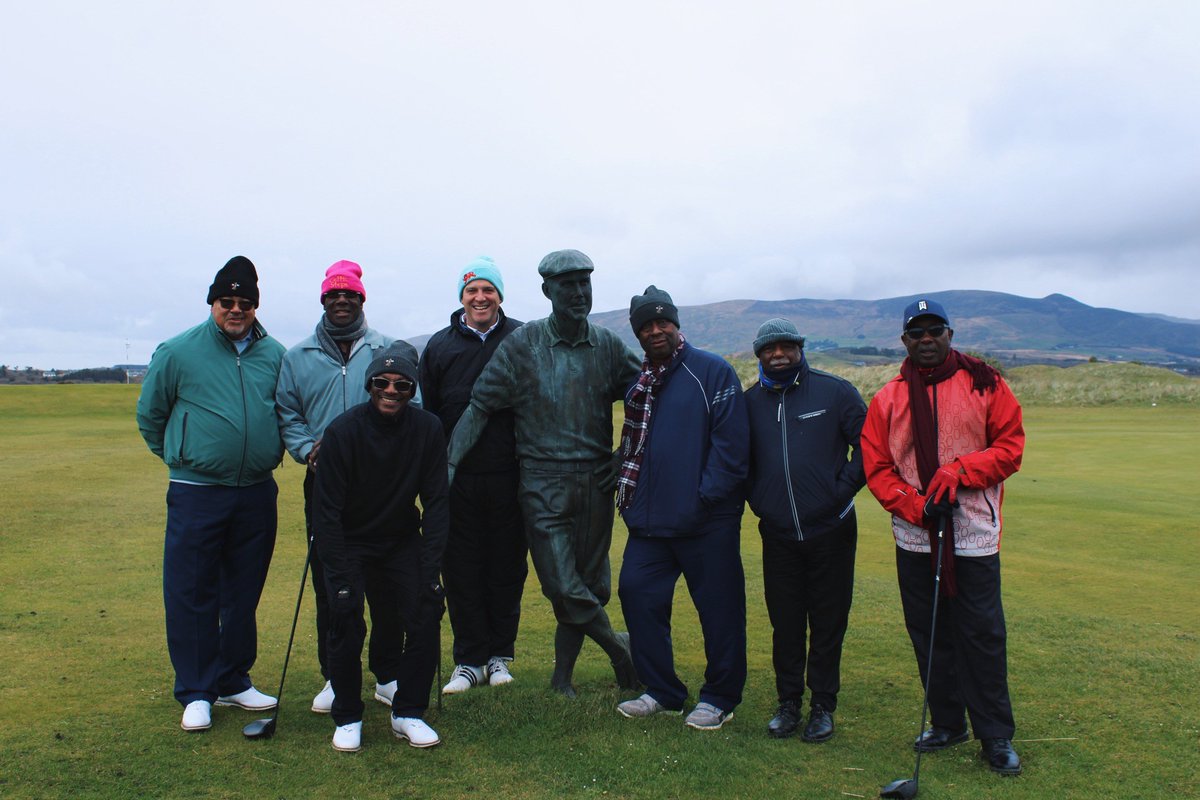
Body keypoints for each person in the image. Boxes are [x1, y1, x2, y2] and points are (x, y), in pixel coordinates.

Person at [446, 249, 640, 698]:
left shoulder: (607, 346)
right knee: (562, 583)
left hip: (595, 482)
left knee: (590, 584)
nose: (577, 293)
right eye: (567, 285)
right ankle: (620, 650)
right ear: (546, 291)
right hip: (541, 482)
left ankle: (561, 680)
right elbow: (479, 408)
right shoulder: (523, 346)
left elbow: (646, 394)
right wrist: (449, 467)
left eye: (583, 283)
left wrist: (624, 453)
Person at [860, 298, 1025, 776]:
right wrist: (917, 505)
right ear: (905, 341)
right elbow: (878, 468)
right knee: (930, 633)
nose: (926, 339)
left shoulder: (985, 382)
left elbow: (1009, 448)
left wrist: (960, 471)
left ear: (950, 334)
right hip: (916, 535)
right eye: (917, 333)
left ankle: (995, 735)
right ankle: (949, 723)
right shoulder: (888, 398)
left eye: (935, 330)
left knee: (982, 634)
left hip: (973, 531)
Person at [136, 256, 285, 733]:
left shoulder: (275, 354)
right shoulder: (179, 351)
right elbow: (151, 416)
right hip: (197, 492)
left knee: (243, 592)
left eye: (245, 303)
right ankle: (197, 690)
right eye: (227, 302)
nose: (236, 310)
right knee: (191, 591)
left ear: (256, 307)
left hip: (256, 491)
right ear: (213, 303)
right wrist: (184, 458)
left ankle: (233, 679)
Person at [614, 286, 750, 731]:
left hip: (706, 521)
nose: (656, 330)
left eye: (662, 322)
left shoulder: (712, 372)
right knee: (637, 594)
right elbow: (632, 447)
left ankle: (720, 697)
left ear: (676, 324)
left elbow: (731, 450)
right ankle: (663, 691)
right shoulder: (640, 381)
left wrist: (704, 500)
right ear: (638, 333)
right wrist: (631, 502)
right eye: (646, 326)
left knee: (719, 610)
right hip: (650, 522)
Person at [274, 260, 403, 714]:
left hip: (384, 489)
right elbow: (288, 414)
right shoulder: (298, 356)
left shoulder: (386, 348)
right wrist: (307, 448)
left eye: (350, 295)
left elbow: (412, 403)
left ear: (361, 300)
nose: (342, 301)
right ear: (324, 300)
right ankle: (336, 675)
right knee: (333, 586)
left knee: (388, 586)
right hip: (325, 486)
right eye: (334, 295)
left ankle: (388, 674)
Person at [311, 343, 448, 752]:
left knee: (426, 610)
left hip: (400, 539)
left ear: (412, 389)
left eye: (402, 384)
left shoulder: (427, 429)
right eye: (382, 382)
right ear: (370, 385)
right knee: (345, 613)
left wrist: (431, 567)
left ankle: (408, 711)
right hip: (350, 539)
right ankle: (348, 714)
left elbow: (438, 501)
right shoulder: (342, 432)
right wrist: (337, 574)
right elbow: (326, 513)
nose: (391, 390)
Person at [744, 318, 866, 742]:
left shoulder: (834, 392)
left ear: (799, 348)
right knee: (786, 622)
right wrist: (758, 500)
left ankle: (822, 707)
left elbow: (868, 446)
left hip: (831, 530)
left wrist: (840, 492)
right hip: (778, 534)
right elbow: (740, 462)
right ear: (759, 354)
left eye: (785, 347)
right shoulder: (749, 403)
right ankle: (788, 703)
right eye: (768, 349)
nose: (778, 354)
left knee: (829, 621)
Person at [419, 257, 528, 694]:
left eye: (488, 290)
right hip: (457, 478)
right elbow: (428, 416)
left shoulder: (523, 338)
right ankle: (468, 660)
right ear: (461, 298)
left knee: (506, 567)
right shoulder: (441, 346)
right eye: (472, 291)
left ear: (500, 295)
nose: (480, 298)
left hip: (511, 474)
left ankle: (500, 656)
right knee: (461, 569)